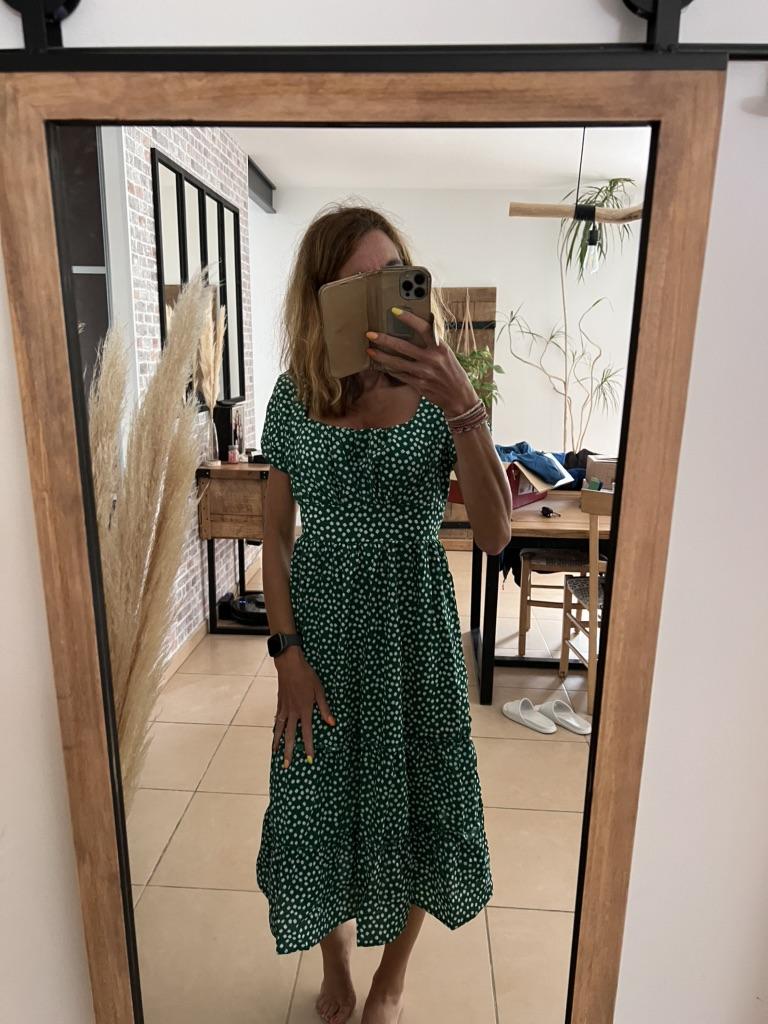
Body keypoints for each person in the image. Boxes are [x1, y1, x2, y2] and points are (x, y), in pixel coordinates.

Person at [255, 202, 513, 1024]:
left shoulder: (443, 392)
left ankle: (390, 981)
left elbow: (496, 533)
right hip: (321, 638)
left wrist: (461, 399)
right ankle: (334, 962)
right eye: (356, 282)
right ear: (321, 299)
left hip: (415, 636)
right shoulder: (294, 395)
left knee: (423, 807)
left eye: (392, 276)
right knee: (315, 807)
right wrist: (286, 654)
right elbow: (274, 533)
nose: (379, 294)